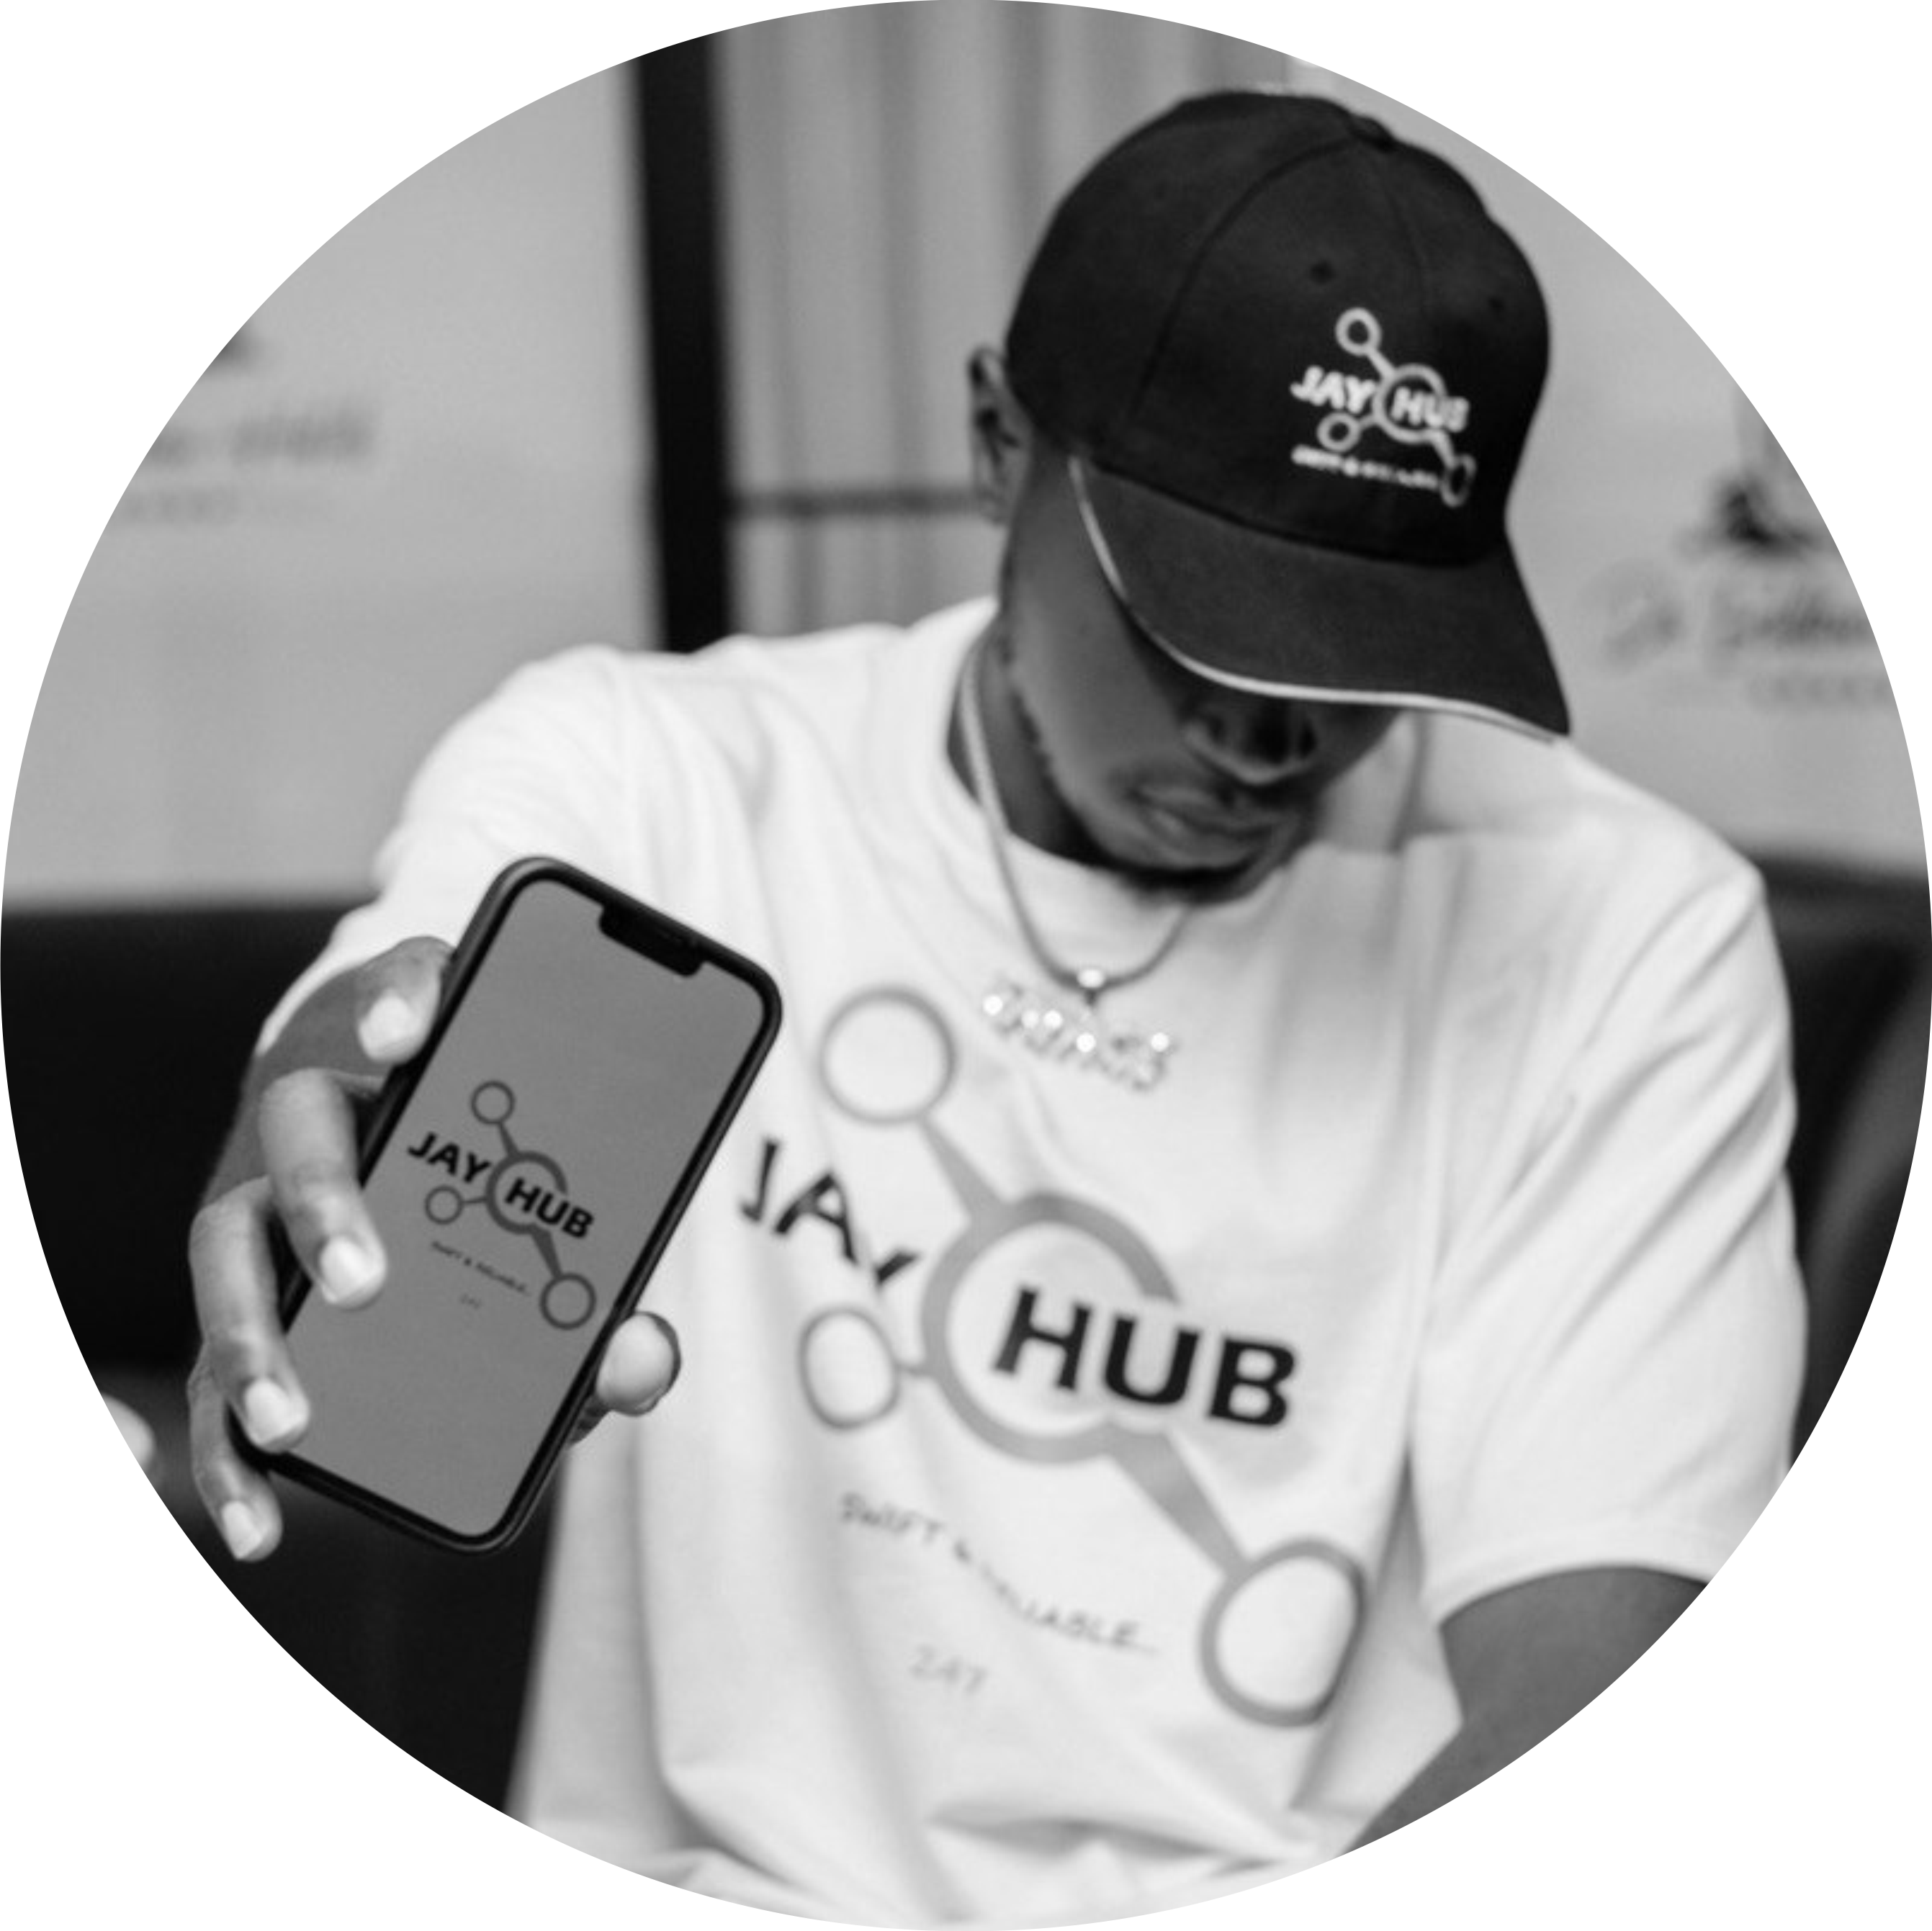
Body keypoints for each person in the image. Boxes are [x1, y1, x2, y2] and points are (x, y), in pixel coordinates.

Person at [186, 91, 1804, 1925]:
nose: (1272, 738)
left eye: (1360, 654)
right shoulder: (654, 783)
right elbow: (365, 1038)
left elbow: (1595, 1694)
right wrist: (322, 1136)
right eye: (1201, 622)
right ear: (996, 445)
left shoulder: (1622, 933)